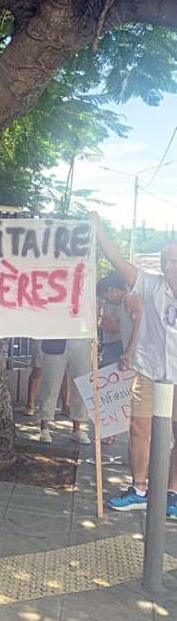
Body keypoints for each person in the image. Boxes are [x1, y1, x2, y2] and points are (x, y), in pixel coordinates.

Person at [93, 214, 177, 516]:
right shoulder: (151, 284)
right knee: (138, 428)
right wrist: (99, 230)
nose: (168, 265)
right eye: (165, 260)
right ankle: (139, 488)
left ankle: (172, 494)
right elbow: (117, 261)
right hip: (150, 371)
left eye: (173, 259)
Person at [35, 338, 91, 444]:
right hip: (56, 340)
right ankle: (44, 428)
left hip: (82, 341)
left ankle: (77, 429)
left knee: (81, 386)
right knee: (50, 384)